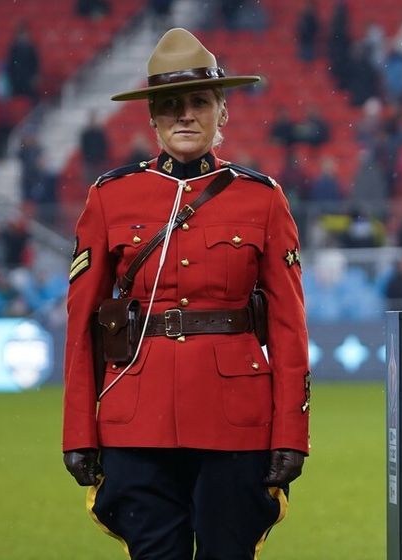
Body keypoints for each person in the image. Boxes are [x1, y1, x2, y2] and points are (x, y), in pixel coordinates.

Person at [61, 28, 310, 558]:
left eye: (200, 102)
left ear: (223, 113)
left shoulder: (262, 200)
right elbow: (82, 326)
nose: (185, 116)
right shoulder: (109, 198)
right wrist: (77, 429)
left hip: (236, 422)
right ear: (152, 117)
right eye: (170, 105)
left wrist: (292, 432)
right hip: (135, 419)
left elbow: (289, 329)